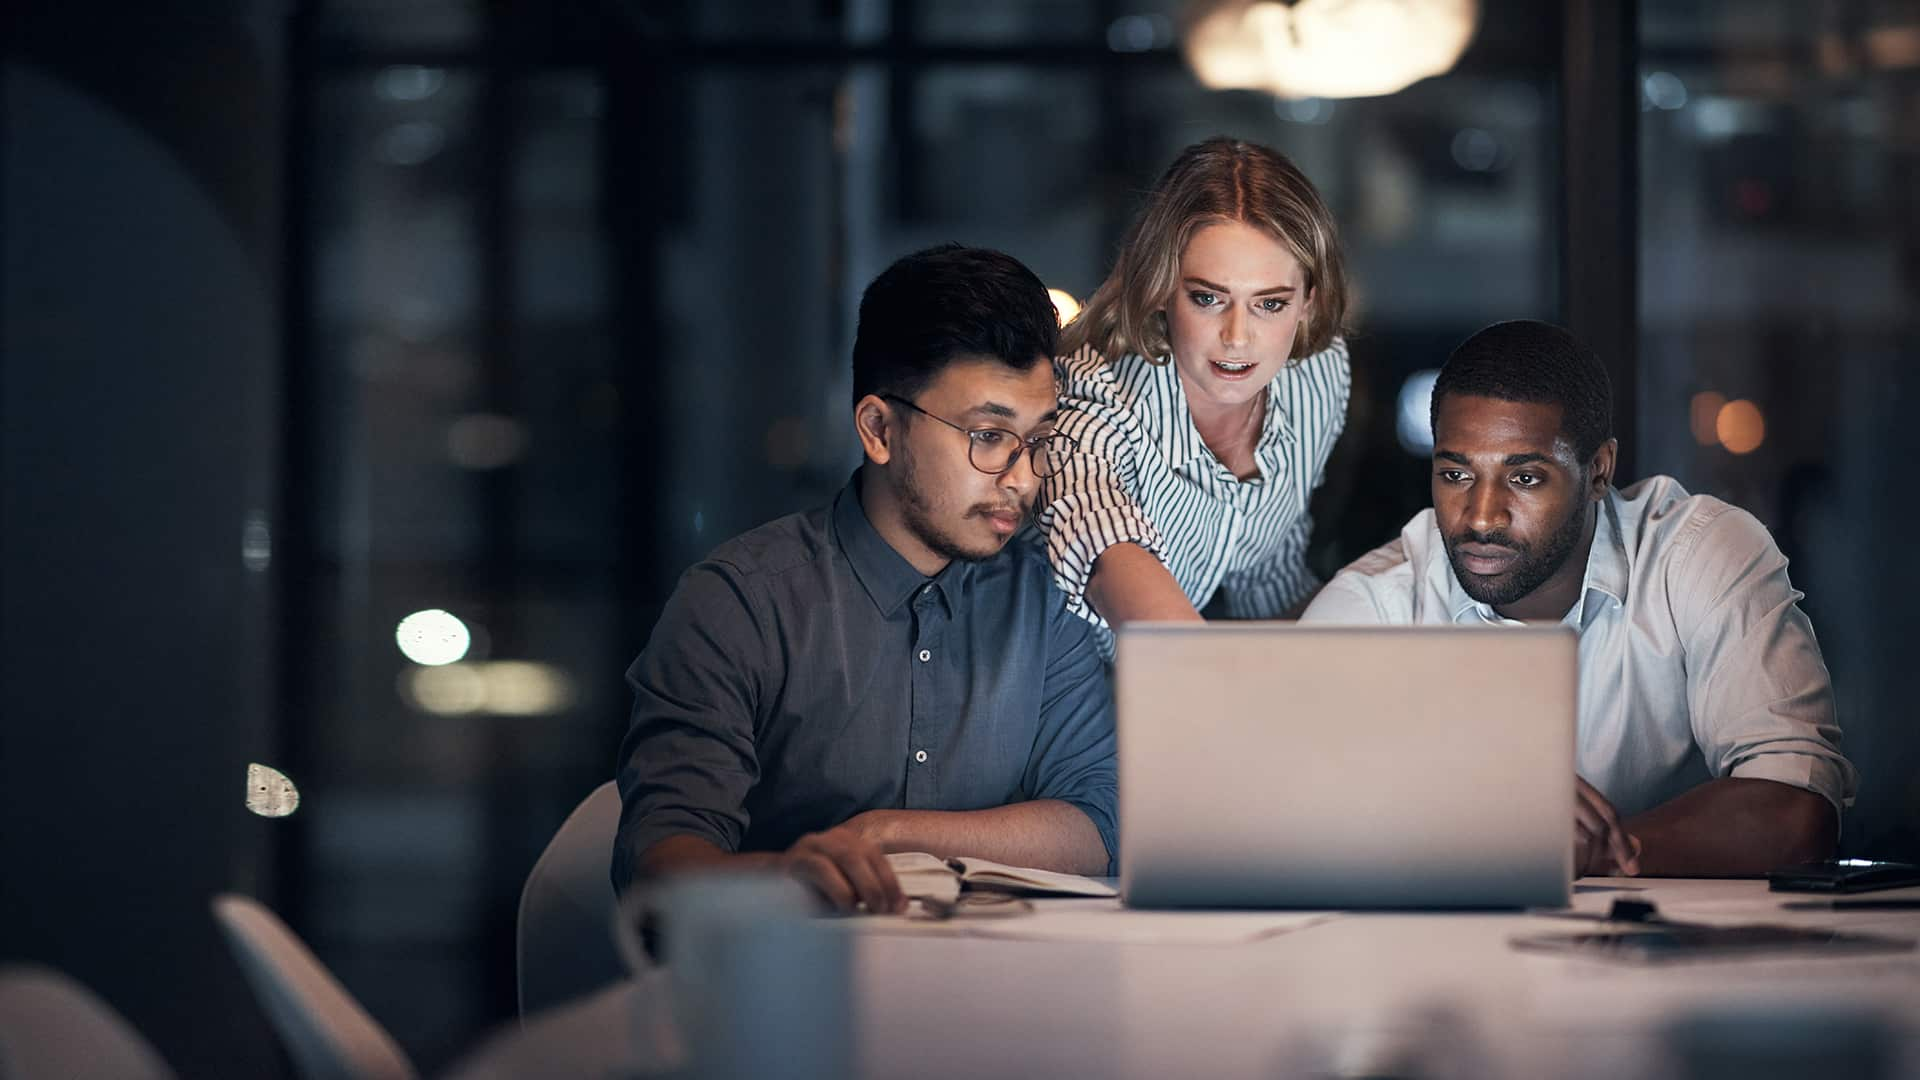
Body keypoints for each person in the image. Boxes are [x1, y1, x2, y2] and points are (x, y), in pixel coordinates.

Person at [611, 244, 1117, 913]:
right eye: (989, 436)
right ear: (879, 429)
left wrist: (888, 836)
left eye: (1038, 439)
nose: (1022, 478)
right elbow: (661, 865)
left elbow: (1098, 821)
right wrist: (798, 876)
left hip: (1000, 990)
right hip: (791, 994)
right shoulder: (742, 604)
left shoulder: (1047, 595)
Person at [1301, 320, 1854, 878]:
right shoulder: (1370, 610)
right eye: (1455, 474)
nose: (1481, 516)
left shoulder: (1695, 557)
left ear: (1598, 472)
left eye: (1524, 479)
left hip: (1681, 956)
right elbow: (1287, 824)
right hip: (1443, 958)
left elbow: (1798, 811)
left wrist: (1576, 852)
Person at [1038, 137, 1353, 657]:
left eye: (1269, 304)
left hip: (1183, 686)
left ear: (1309, 303)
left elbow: (1267, 575)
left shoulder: (1315, 376)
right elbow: (1101, 541)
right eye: (1208, 298)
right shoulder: (1095, 398)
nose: (1237, 336)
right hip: (1055, 697)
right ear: (1162, 286)